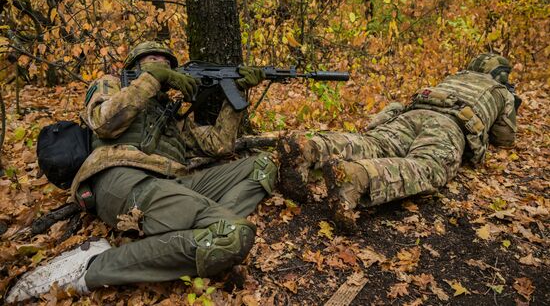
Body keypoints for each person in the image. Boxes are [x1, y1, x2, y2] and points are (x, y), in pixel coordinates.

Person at [7, 42, 277, 302]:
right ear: (135, 65)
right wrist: (151, 80)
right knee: (231, 235)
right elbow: (103, 122)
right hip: (121, 176)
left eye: (167, 63)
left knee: (261, 165)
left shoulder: (170, 114)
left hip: (175, 183)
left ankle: (204, 227)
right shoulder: (111, 84)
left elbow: (218, 144)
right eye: (153, 60)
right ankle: (94, 266)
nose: (162, 64)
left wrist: (237, 94)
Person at [278, 53, 519, 230]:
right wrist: (509, 100)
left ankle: (310, 148)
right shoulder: (500, 90)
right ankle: (356, 177)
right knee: (428, 166)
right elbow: (504, 138)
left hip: (412, 114)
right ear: (500, 74)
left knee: (375, 143)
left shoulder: (455, 77)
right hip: (450, 126)